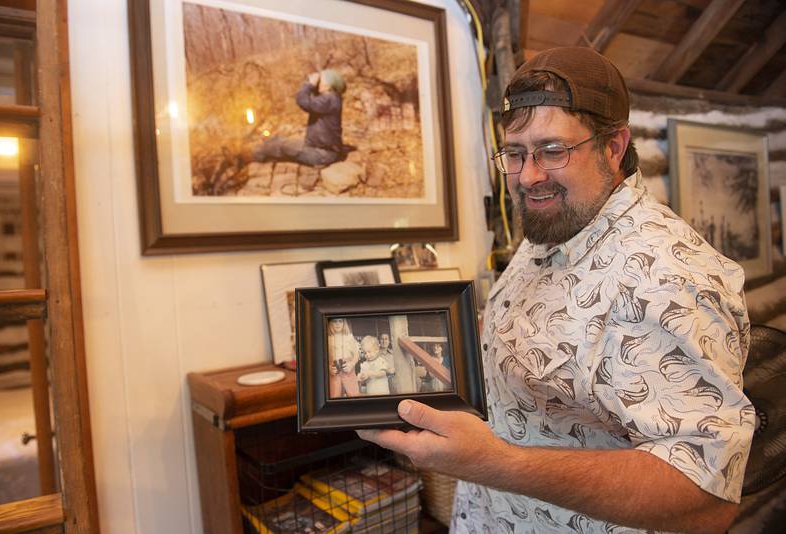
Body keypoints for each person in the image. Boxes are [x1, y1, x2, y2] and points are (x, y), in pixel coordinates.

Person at [357, 46, 753, 533]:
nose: (528, 175)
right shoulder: (559, 225)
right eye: (516, 153)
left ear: (614, 146)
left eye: (552, 150)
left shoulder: (669, 277)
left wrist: (494, 462)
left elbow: (706, 498)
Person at [252, 68, 346, 167]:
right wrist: (311, 85)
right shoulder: (332, 98)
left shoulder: (329, 99)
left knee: (281, 145)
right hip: (320, 149)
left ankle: (252, 156)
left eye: (321, 81)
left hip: (321, 154)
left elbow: (303, 101)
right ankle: (260, 152)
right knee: (278, 139)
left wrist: (309, 85)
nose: (318, 83)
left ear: (328, 85)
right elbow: (312, 99)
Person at [327, 318, 360, 398]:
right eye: (335, 321)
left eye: (340, 321)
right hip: (334, 370)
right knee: (334, 395)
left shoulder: (349, 336)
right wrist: (329, 368)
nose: (338, 324)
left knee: (353, 394)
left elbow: (356, 355)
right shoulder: (328, 338)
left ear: (344, 323)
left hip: (348, 368)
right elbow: (324, 359)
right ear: (330, 323)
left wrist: (351, 364)